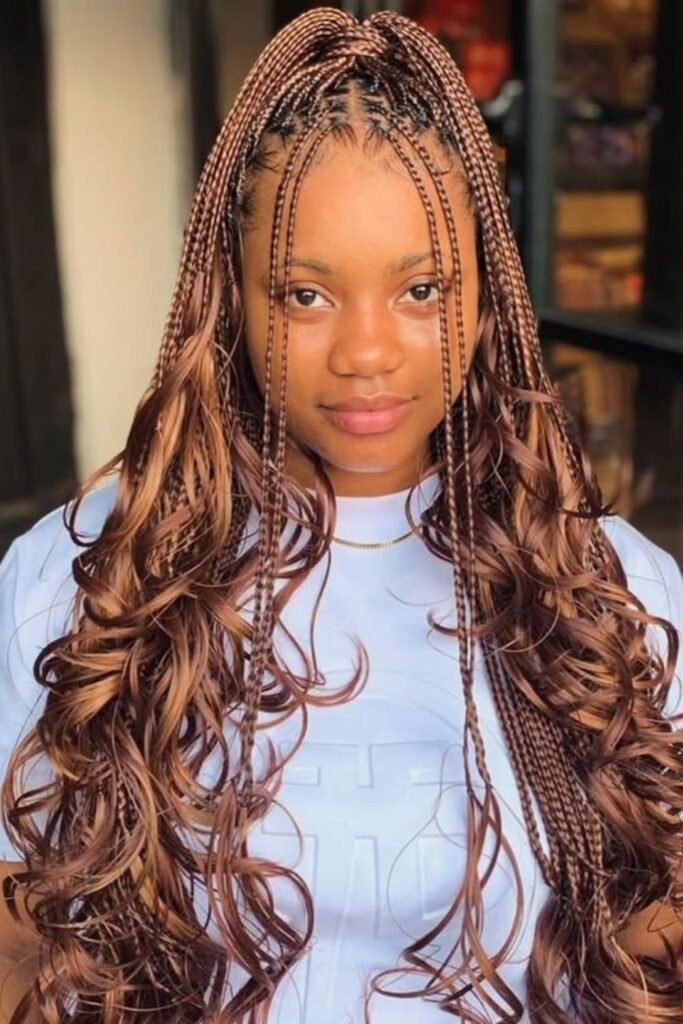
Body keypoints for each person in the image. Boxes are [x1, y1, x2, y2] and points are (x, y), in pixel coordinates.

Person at [0, 8, 682, 1023]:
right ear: (232, 297)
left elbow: (657, 939)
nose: (367, 353)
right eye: (305, 295)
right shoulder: (78, 580)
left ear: (485, 299)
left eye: (421, 288)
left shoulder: (615, 591)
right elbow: (17, 944)